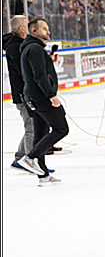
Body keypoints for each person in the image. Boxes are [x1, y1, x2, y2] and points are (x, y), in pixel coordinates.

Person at [16, 18, 65, 186]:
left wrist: (49, 61)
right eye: (45, 29)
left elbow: (38, 70)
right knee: (61, 128)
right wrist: (51, 95)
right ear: (34, 31)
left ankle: (42, 175)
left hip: (33, 97)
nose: (48, 32)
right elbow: (39, 76)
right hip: (41, 98)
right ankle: (30, 158)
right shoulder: (35, 49)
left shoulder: (33, 48)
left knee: (41, 134)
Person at [4, 15, 35, 172]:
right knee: (31, 126)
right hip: (23, 93)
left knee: (32, 125)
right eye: (28, 25)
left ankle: (20, 157)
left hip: (25, 92)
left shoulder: (19, 44)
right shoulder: (15, 47)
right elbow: (24, 72)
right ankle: (29, 160)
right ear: (22, 29)